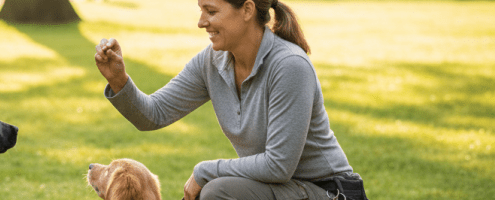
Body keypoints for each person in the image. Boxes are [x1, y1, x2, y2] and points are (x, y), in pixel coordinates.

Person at [94, 0, 368, 199]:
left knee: (218, 191)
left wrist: (205, 170)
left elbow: (278, 165)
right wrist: (119, 80)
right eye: (200, 10)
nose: (201, 22)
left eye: (211, 11)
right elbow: (154, 114)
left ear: (247, 10)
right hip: (276, 189)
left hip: (329, 191)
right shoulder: (212, 62)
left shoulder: (290, 66)